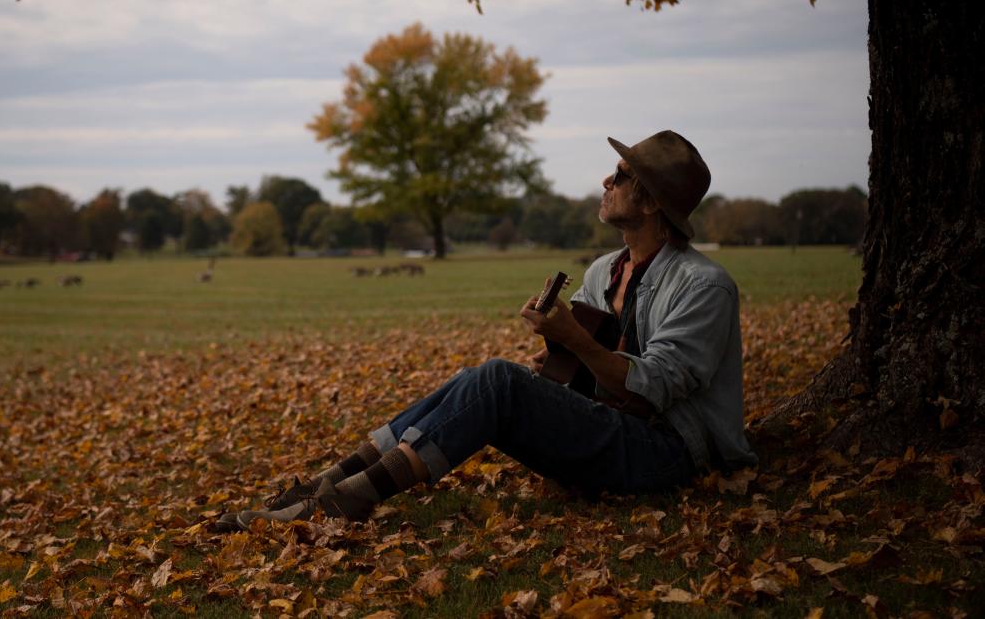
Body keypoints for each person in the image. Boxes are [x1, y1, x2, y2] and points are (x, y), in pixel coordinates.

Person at [216, 130, 757, 531]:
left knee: (497, 380)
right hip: (611, 430)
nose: (606, 182)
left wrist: (574, 340)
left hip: (665, 455)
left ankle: (345, 500)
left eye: (620, 176)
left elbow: (653, 388)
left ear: (651, 200)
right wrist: (558, 366)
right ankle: (326, 484)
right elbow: (589, 374)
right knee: (478, 378)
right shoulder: (603, 271)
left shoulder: (704, 287)